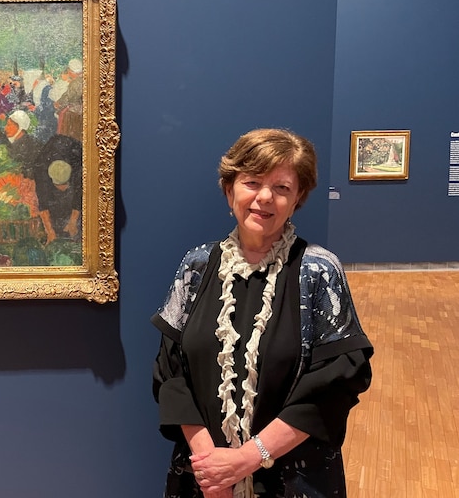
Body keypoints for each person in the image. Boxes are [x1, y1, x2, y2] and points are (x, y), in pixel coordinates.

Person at [151, 128, 373, 498]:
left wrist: (246, 460)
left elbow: (337, 384)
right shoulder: (197, 265)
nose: (265, 198)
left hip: (293, 481)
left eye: (282, 188)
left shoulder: (318, 271)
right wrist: (213, 467)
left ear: (298, 197)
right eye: (252, 182)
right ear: (229, 190)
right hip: (205, 480)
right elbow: (170, 373)